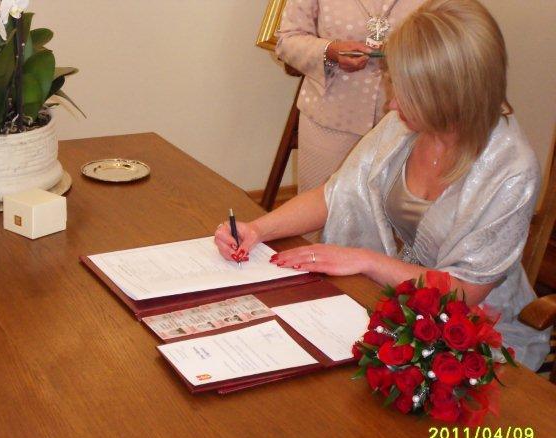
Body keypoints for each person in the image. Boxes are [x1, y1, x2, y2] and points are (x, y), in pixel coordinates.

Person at [217, 0, 550, 370]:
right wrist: (258, 229)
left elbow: (465, 291)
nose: (391, 104)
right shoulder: (406, 126)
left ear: (446, 95)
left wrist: (366, 261)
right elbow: (335, 194)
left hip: (474, 337)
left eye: (406, 91)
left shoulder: (511, 169)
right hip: (398, 306)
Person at [276, 0, 424, 201]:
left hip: (409, 122)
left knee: (392, 211)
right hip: (330, 118)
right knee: (319, 209)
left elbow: (453, 39)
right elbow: (287, 40)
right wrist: (329, 51)